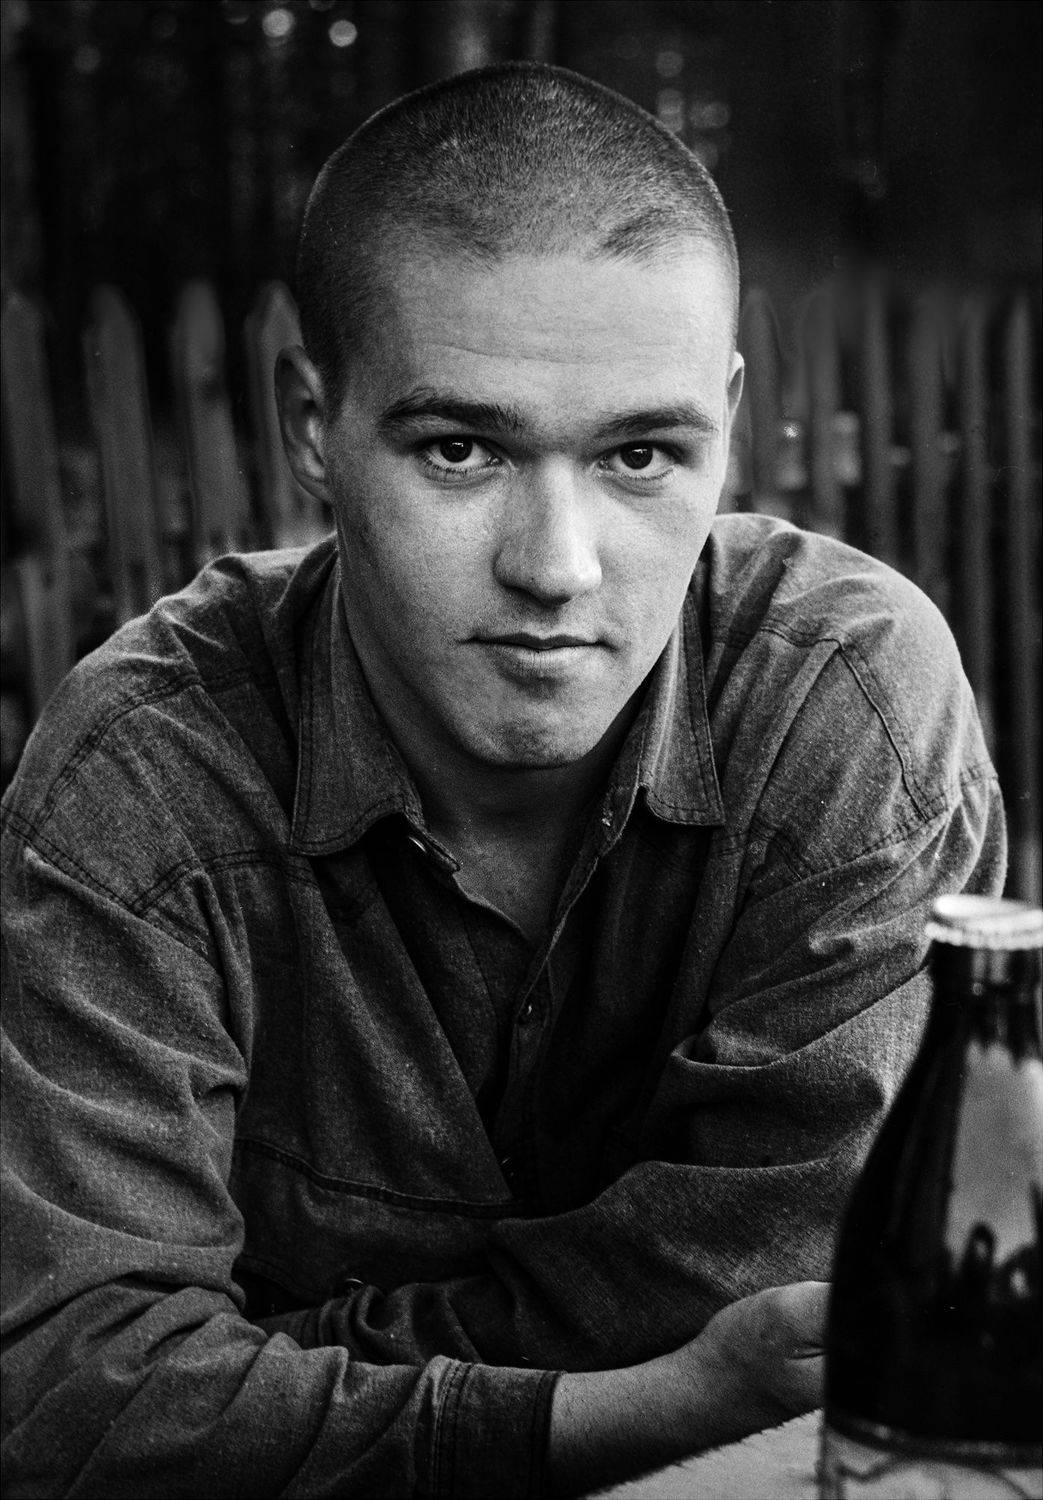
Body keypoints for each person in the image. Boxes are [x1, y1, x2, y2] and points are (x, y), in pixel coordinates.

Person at [0, 61, 1003, 1498]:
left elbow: (811, 1271)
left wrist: (269, 1374)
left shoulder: (839, 703)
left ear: (727, 422)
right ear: (311, 424)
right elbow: (72, 1402)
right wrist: (632, 1407)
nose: (558, 567)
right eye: (460, 450)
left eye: (643, 455)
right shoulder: (145, 780)